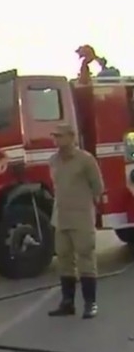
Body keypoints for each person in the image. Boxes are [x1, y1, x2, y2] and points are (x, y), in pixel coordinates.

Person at [47, 123, 104, 319]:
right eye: (55, 136)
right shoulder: (53, 160)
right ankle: (67, 302)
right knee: (64, 259)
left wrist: (89, 208)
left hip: (81, 217)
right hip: (61, 218)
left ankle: (90, 303)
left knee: (85, 258)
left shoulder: (85, 160)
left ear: (72, 137)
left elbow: (98, 187)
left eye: (60, 136)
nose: (57, 140)